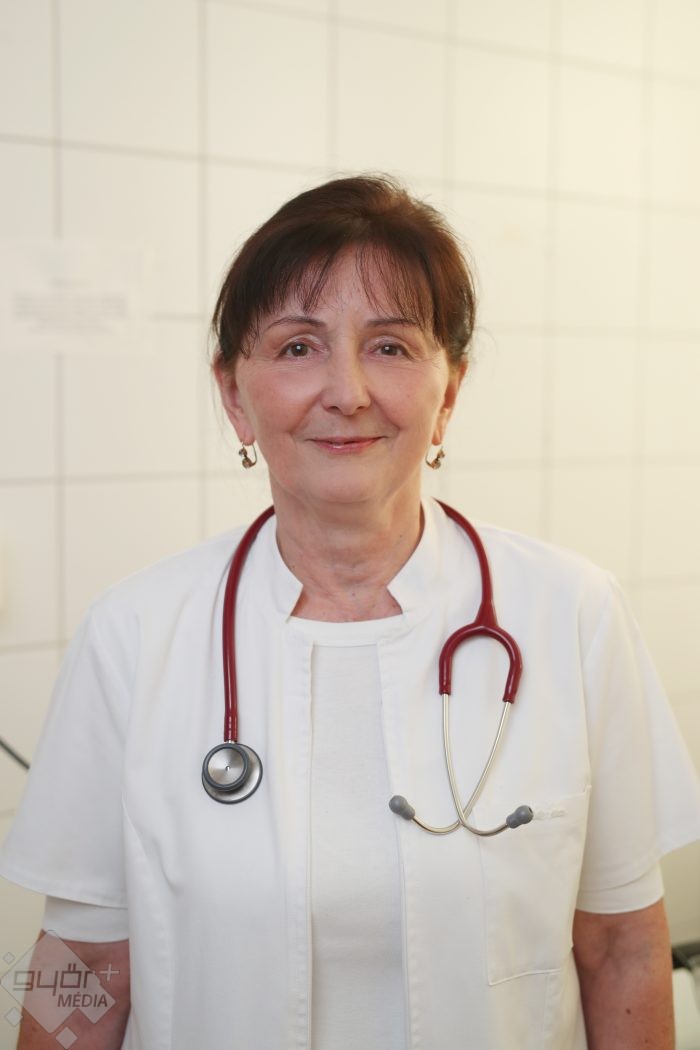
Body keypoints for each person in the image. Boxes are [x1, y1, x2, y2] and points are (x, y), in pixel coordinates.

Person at [2, 174, 700, 1050]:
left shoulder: (575, 615)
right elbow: (80, 964)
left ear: (450, 391)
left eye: (391, 346)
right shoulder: (133, 636)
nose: (348, 391)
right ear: (234, 394)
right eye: (298, 347)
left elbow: (624, 947)